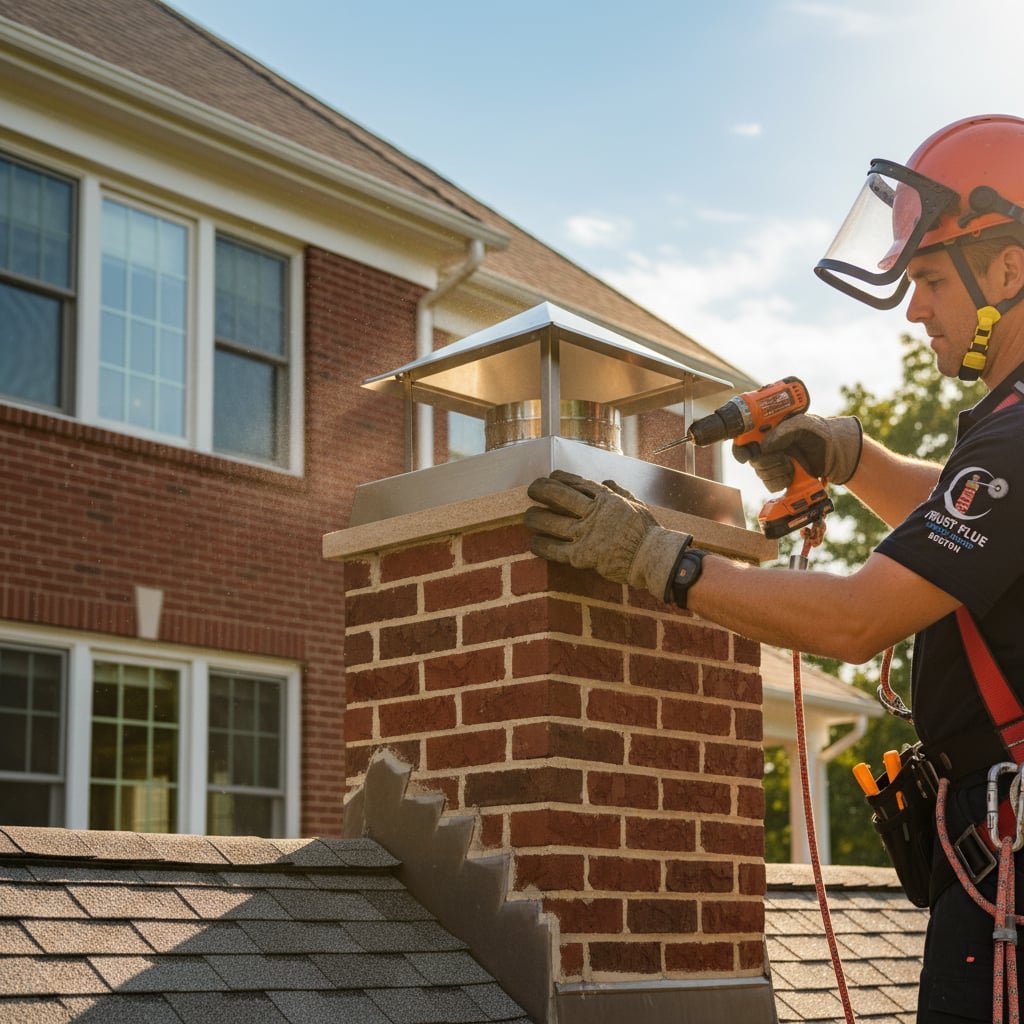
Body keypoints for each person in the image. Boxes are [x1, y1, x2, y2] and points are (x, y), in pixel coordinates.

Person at [524, 114, 1024, 1023]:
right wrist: (849, 454)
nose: (915, 311)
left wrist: (659, 559)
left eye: (927, 280)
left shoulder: (1016, 440)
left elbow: (855, 620)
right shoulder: (1007, 431)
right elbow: (965, 522)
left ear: (1009, 270)